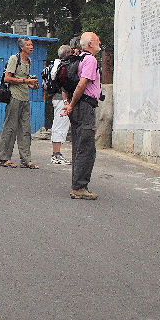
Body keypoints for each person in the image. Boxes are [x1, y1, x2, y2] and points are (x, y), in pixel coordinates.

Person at [64, 32, 103, 200]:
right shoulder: (90, 60)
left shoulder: (78, 59)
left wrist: (69, 103)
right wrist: (71, 104)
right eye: (96, 41)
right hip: (85, 106)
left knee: (78, 145)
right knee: (86, 147)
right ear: (89, 45)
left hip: (78, 106)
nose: (99, 43)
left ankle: (77, 184)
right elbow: (82, 84)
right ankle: (80, 187)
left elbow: (68, 84)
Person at [0, 36, 40, 169]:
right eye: (28, 45)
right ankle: (5, 158)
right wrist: (25, 81)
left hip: (25, 98)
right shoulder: (14, 59)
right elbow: (7, 78)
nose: (31, 46)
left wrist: (31, 84)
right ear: (22, 47)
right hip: (14, 97)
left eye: (31, 44)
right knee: (10, 128)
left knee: (26, 129)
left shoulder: (28, 61)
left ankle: (26, 159)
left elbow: (25, 79)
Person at [50, 41, 77, 166]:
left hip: (57, 97)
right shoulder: (64, 66)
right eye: (70, 52)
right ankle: (56, 154)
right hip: (62, 99)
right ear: (67, 53)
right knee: (60, 125)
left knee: (59, 125)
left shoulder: (57, 65)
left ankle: (57, 153)